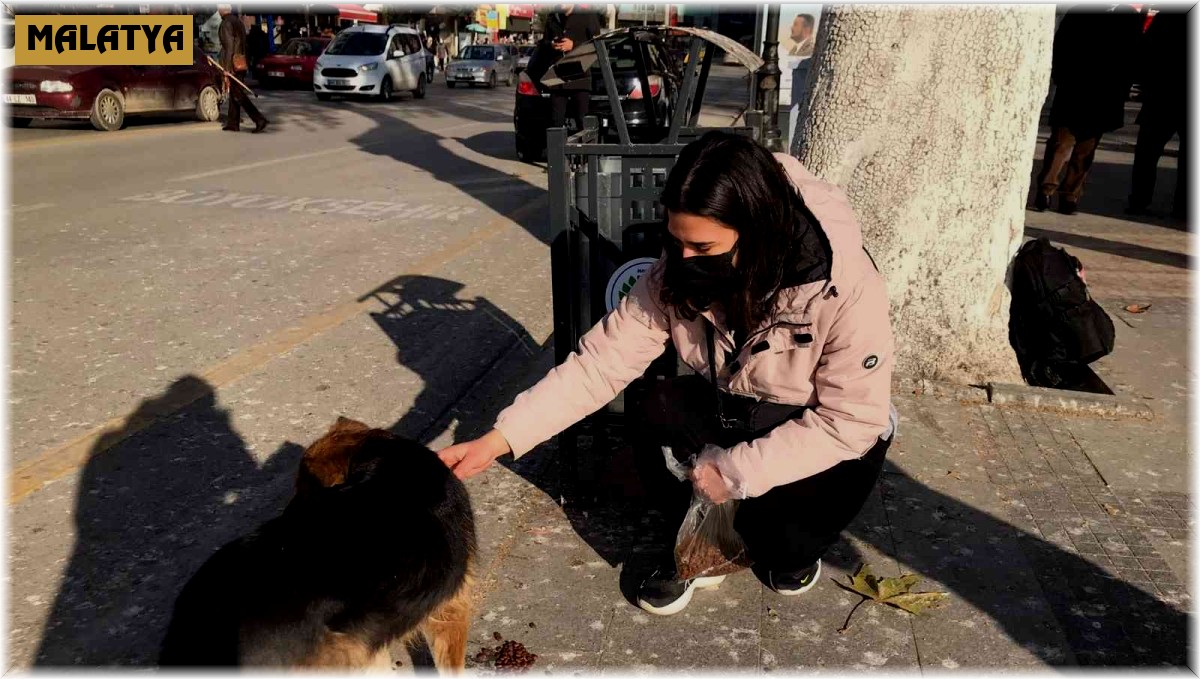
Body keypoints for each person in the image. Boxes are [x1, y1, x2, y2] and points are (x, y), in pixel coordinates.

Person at [439, 132, 897, 616]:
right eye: (675, 241)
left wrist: (736, 471)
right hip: (730, 402)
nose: (683, 260)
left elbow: (850, 420)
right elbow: (602, 363)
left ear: (758, 230)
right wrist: (501, 438)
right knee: (650, 405)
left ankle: (786, 549)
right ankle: (697, 546)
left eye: (703, 246)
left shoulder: (843, 287)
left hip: (818, 426)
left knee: (783, 547)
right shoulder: (675, 271)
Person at [1034, 5, 1143, 215]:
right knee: (1078, 146)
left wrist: (1061, 76)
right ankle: (1064, 195)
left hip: (1083, 88)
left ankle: (1053, 192)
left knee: (1067, 145)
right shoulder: (1127, 17)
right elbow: (1134, 55)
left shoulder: (1086, 11)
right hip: (1097, 89)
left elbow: (1061, 44)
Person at [1126, 7, 1188, 219]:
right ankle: (1183, 207)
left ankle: (1139, 200)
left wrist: (1144, 83)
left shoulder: (1168, 17)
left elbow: (1146, 50)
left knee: (1147, 154)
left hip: (1161, 95)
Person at [541, 4, 602, 132]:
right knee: (555, 123)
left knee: (583, 122)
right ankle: (558, 151)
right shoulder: (553, 17)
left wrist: (573, 45)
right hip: (557, 79)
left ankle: (584, 151)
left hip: (580, 77)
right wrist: (551, 44)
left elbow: (598, 45)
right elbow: (543, 44)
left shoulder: (587, 15)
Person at [218, 4, 268, 133]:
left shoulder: (226, 23)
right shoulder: (238, 22)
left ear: (222, 9)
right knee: (235, 93)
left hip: (233, 63)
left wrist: (227, 68)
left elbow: (229, 46)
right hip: (241, 61)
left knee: (238, 94)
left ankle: (259, 119)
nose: (218, 10)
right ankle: (233, 123)